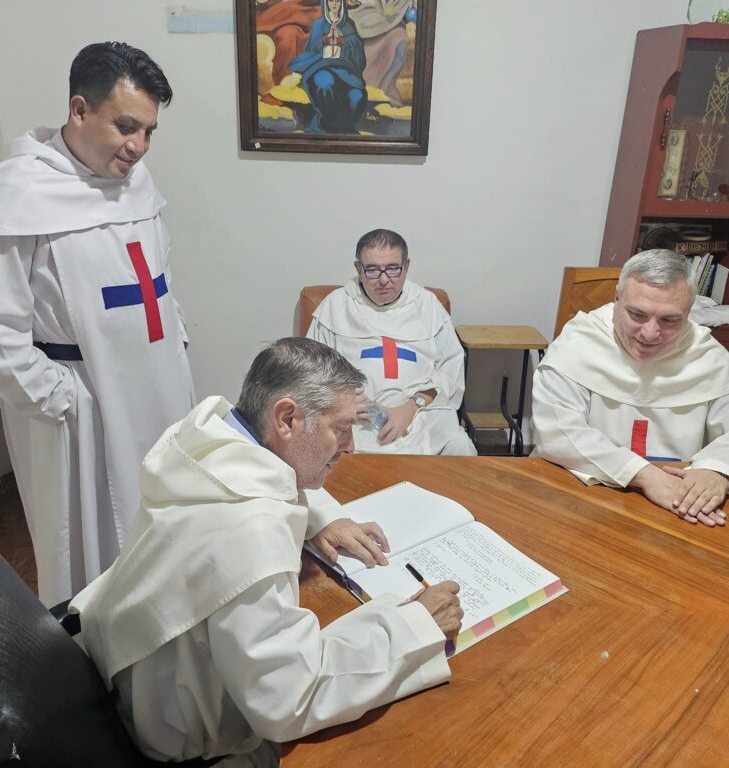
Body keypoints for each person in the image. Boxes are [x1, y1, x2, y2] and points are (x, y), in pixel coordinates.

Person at [70, 337, 461, 766]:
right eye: (341, 427)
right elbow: (290, 699)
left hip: (119, 674)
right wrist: (415, 626)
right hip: (184, 746)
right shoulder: (251, 531)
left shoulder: (206, 441)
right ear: (288, 418)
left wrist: (319, 517)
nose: (350, 446)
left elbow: (265, 477)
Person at [0, 42, 196, 606]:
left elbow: (156, 275)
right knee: (94, 550)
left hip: (159, 391)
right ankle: (95, 668)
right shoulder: (20, 194)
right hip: (81, 406)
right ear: (80, 109)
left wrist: (175, 337)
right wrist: (60, 396)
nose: (138, 147)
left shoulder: (135, 180)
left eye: (149, 131)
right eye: (126, 126)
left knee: (165, 526)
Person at [531, 249, 729, 527]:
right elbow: (558, 433)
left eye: (669, 320)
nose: (649, 333)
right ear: (616, 299)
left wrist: (717, 470)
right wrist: (643, 474)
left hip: (678, 510)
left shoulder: (707, 355)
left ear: (689, 311)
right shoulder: (578, 345)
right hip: (582, 501)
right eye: (637, 314)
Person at [307, 228, 477, 456]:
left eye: (393, 268)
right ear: (358, 268)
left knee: (461, 447)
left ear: (406, 266)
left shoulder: (428, 305)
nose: (384, 279)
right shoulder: (335, 307)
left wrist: (411, 408)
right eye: (373, 270)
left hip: (420, 418)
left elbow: (450, 371)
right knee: (321, 447)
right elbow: (311, 373)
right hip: (354, 419)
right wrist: (345, 402)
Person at [288, 0, 368, 133]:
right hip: (320, 67)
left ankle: (338, 128)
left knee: (357, 95)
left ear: (342, 3)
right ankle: (334, 128)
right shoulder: (319, 24)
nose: (334, 4)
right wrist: (324, 42)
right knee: (324, 81)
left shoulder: (348, 25)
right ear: (326, 3)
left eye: (338, 1)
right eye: (331, 1)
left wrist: (344, 42)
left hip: (346, 72)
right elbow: (312, 50)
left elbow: (358, 55)